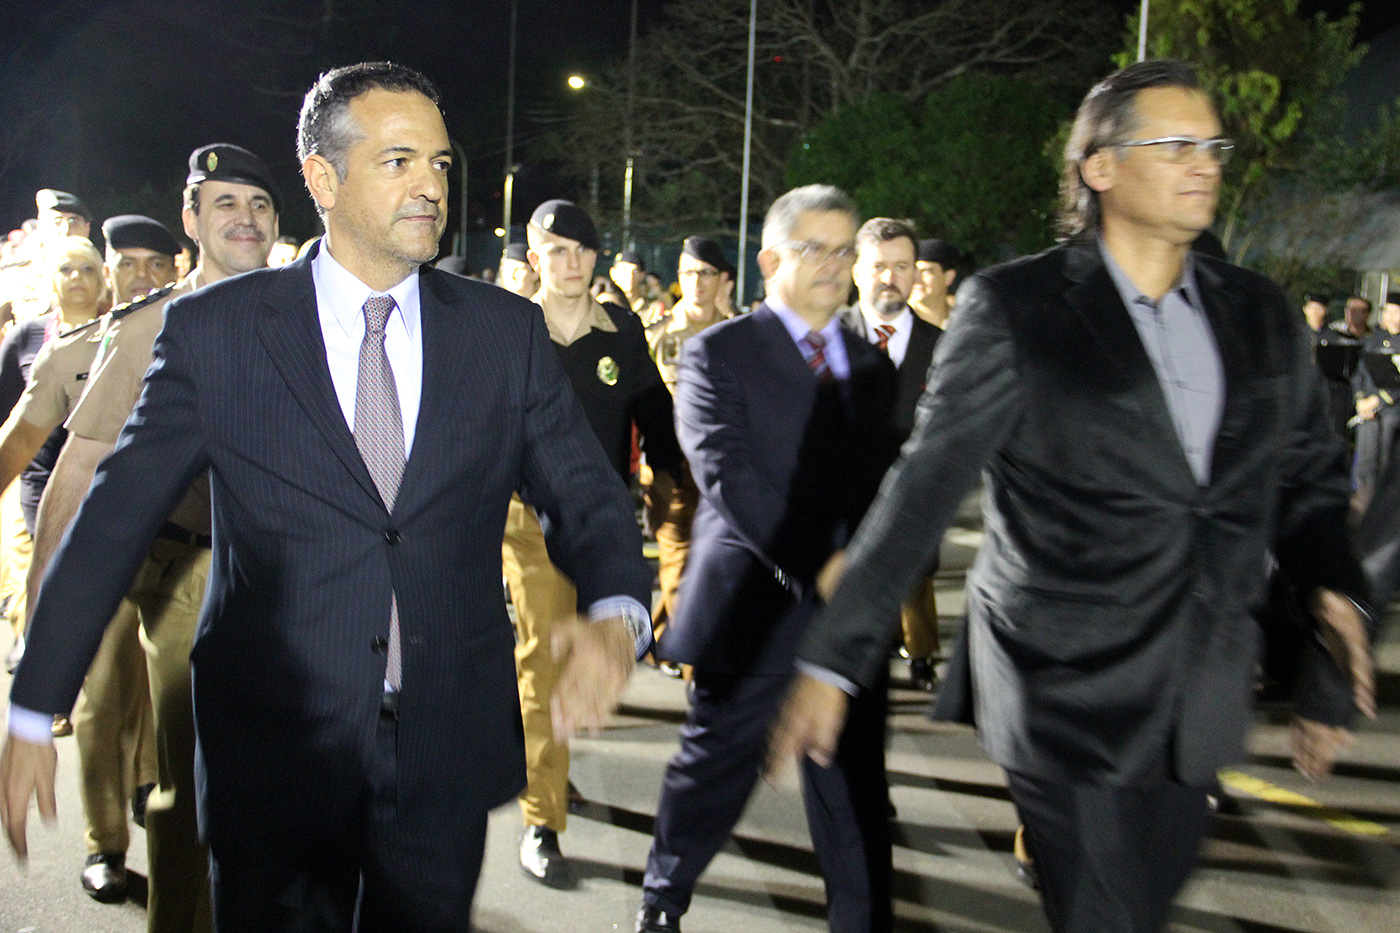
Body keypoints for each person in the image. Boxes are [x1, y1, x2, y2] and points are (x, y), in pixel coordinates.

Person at [3, 62, 651, 933]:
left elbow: (587, 494)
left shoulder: (504, 333)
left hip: (439, 749)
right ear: (323, 179)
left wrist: (616, 611)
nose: (431, 186)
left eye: (440, 163)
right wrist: (33, 704)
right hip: (274, 749)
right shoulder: (219, 332)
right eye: (398, 161)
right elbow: (113, 517)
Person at [770, 60, 1376, 933]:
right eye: (1175, 145)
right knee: (1104, 915)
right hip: (1061, 690)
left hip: (1199, 695)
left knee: (1137, 906)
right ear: (1100, 166)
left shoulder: (1260, 313)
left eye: (1212, 146)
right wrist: (834, 658)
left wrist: (1333, 585)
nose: (1203, 163)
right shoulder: (1018, 308)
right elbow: (924, 485)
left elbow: (1308, 475)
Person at [636, 185, 900, 933]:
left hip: (845, 617)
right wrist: (823, 563)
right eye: (815, 248)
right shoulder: (717, 352)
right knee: (714, 768)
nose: (834, 264)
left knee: (851, 788)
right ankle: (664, 895)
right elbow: (727, 475)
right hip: (751, 602)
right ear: (771, 260)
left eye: (844, 250)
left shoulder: (871, 366)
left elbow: (887, 487)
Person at [0, 216, 178, 903]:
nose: (140, 276)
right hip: (100, 552)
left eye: (154, 263)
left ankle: (153, 795)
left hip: (179, 553)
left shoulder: (206, 337)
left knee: (169, 702)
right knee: (102, 699)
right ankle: (105, 842)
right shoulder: (74, 351)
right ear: (109, 272)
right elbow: (19, 444)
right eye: (125, 263)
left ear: (174, 268)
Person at [508, 199, 681, 887]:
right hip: (530, 523)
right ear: (535, 260)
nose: (571, 262)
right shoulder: (512, 331)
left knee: (595, 654)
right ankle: (541, 819)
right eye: (556, 250)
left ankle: (547, 768)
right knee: (541, 663)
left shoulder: (622, 329)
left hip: (605, 525)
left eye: (582, 249)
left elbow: (654, 409)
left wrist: (679, 475)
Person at [839, 218, 944, 688]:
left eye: (902, 266)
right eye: (879, 266)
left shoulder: (943, 347)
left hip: (914, 499)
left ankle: (919, 655)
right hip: (844, 505)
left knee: (912, 583)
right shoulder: (824, 339)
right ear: (856, 271)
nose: (890, 277)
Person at [644, 236, 734, 667]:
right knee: (678, 559)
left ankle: (662, 639)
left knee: (707, 561)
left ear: (723, 281)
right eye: (688, 273)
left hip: (722, 468)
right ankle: (692, 655)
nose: (696, 282)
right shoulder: (658, 334)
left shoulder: (738, 335)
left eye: (705, 274)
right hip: (672, 467)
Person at [908, 238, 960, 329]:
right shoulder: (895, 322)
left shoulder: (964, 321)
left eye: (926, 271)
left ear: (948, 277)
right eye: (913, 271)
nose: (916, 279)